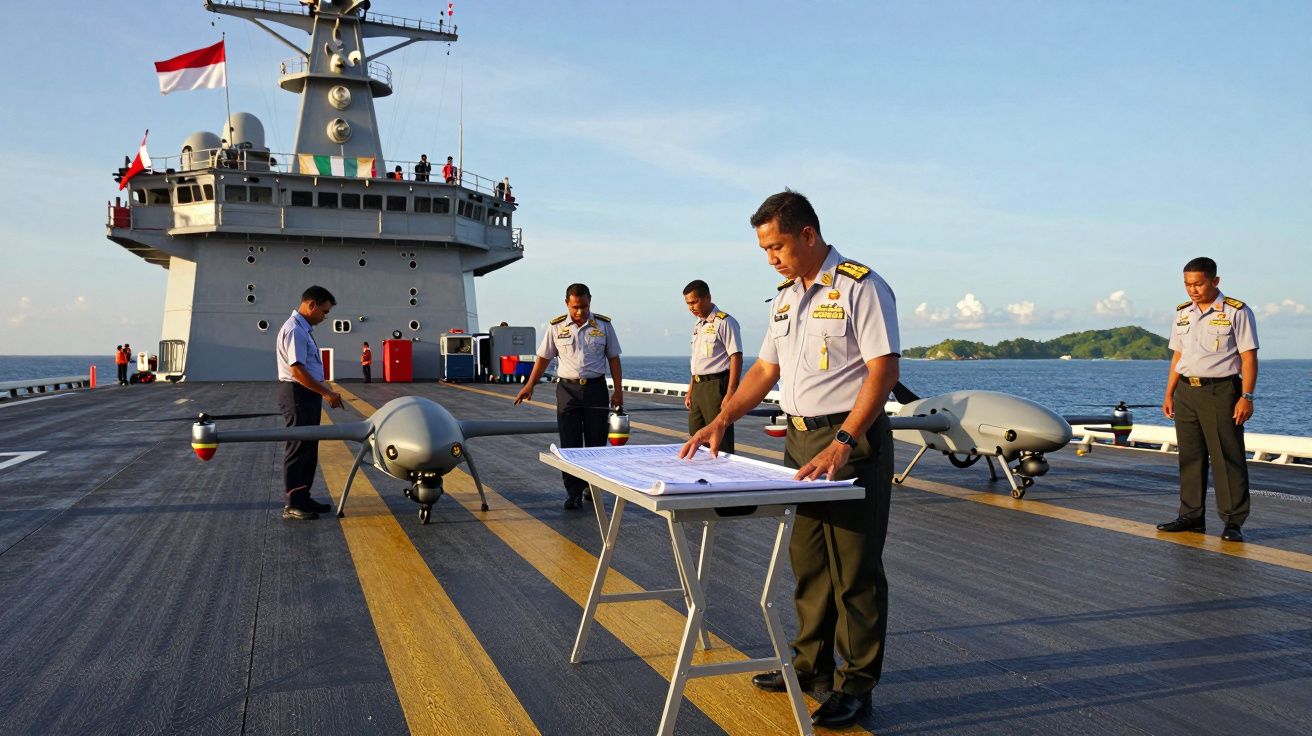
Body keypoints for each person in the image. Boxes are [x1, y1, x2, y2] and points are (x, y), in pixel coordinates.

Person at [680, 190, 899, 729]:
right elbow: (764, 370)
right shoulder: (784, 298)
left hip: (850, 443)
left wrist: (843, 441)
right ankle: (809, 667)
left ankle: (856, 685)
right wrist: (722, 418)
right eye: (764, 250)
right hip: (800, 444)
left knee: (854, 570)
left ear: (807, 234)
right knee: (809, 562)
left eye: (776, 246)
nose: (770, 258)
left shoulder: (861, 286)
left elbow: (884, 370)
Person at [1158, 257, 1258, 542]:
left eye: (1199, 284)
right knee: (1190, 456)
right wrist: (1169, 394)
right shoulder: (1182, 313)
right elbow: (1178, 355)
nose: (1193, 289)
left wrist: (1246, 396)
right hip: (1186, 391)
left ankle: (1233, 521)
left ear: (1215, 281)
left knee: (1227, 456)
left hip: (1221, 391)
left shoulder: (1237, 311)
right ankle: (1191, 516)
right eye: (1187, 284)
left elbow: (1248, 357)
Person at [514, 283, 623, 509]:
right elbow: (544, 358)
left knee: (596, 441)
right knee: (569, 442)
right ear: (567, 304)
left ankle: (592, 487)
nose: (580, 311)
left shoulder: (603, 325)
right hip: (567, 390)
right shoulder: (556, 327)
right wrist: (530, 384)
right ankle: (573, 492)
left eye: (584, 306)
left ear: (590, 301)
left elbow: (613, 358)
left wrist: (619, 391)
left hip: (596, 389)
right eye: (575, 307)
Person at [276, 285, 345, 521]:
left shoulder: (302, 329)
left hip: (305, 393)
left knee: (308, 447)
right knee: (298, 447)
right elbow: (297, 370)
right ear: (311, 305)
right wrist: (327, 393)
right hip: (297, 393)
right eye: (324, 311)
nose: (325, 317)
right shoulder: (295, 330)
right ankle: (293, 503)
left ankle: (303, 497)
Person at [682, 280, 743, 454]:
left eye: (694, 302)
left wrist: (731, 392)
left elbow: (736, 356)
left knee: (720, 440)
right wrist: (691, 390)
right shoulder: (698, 325)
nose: (691, 308)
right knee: (696, 438)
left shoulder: (724, 322)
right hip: (698, 387)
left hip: (716, 386)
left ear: (707, 297)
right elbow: (697, 362)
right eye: (688, 304)